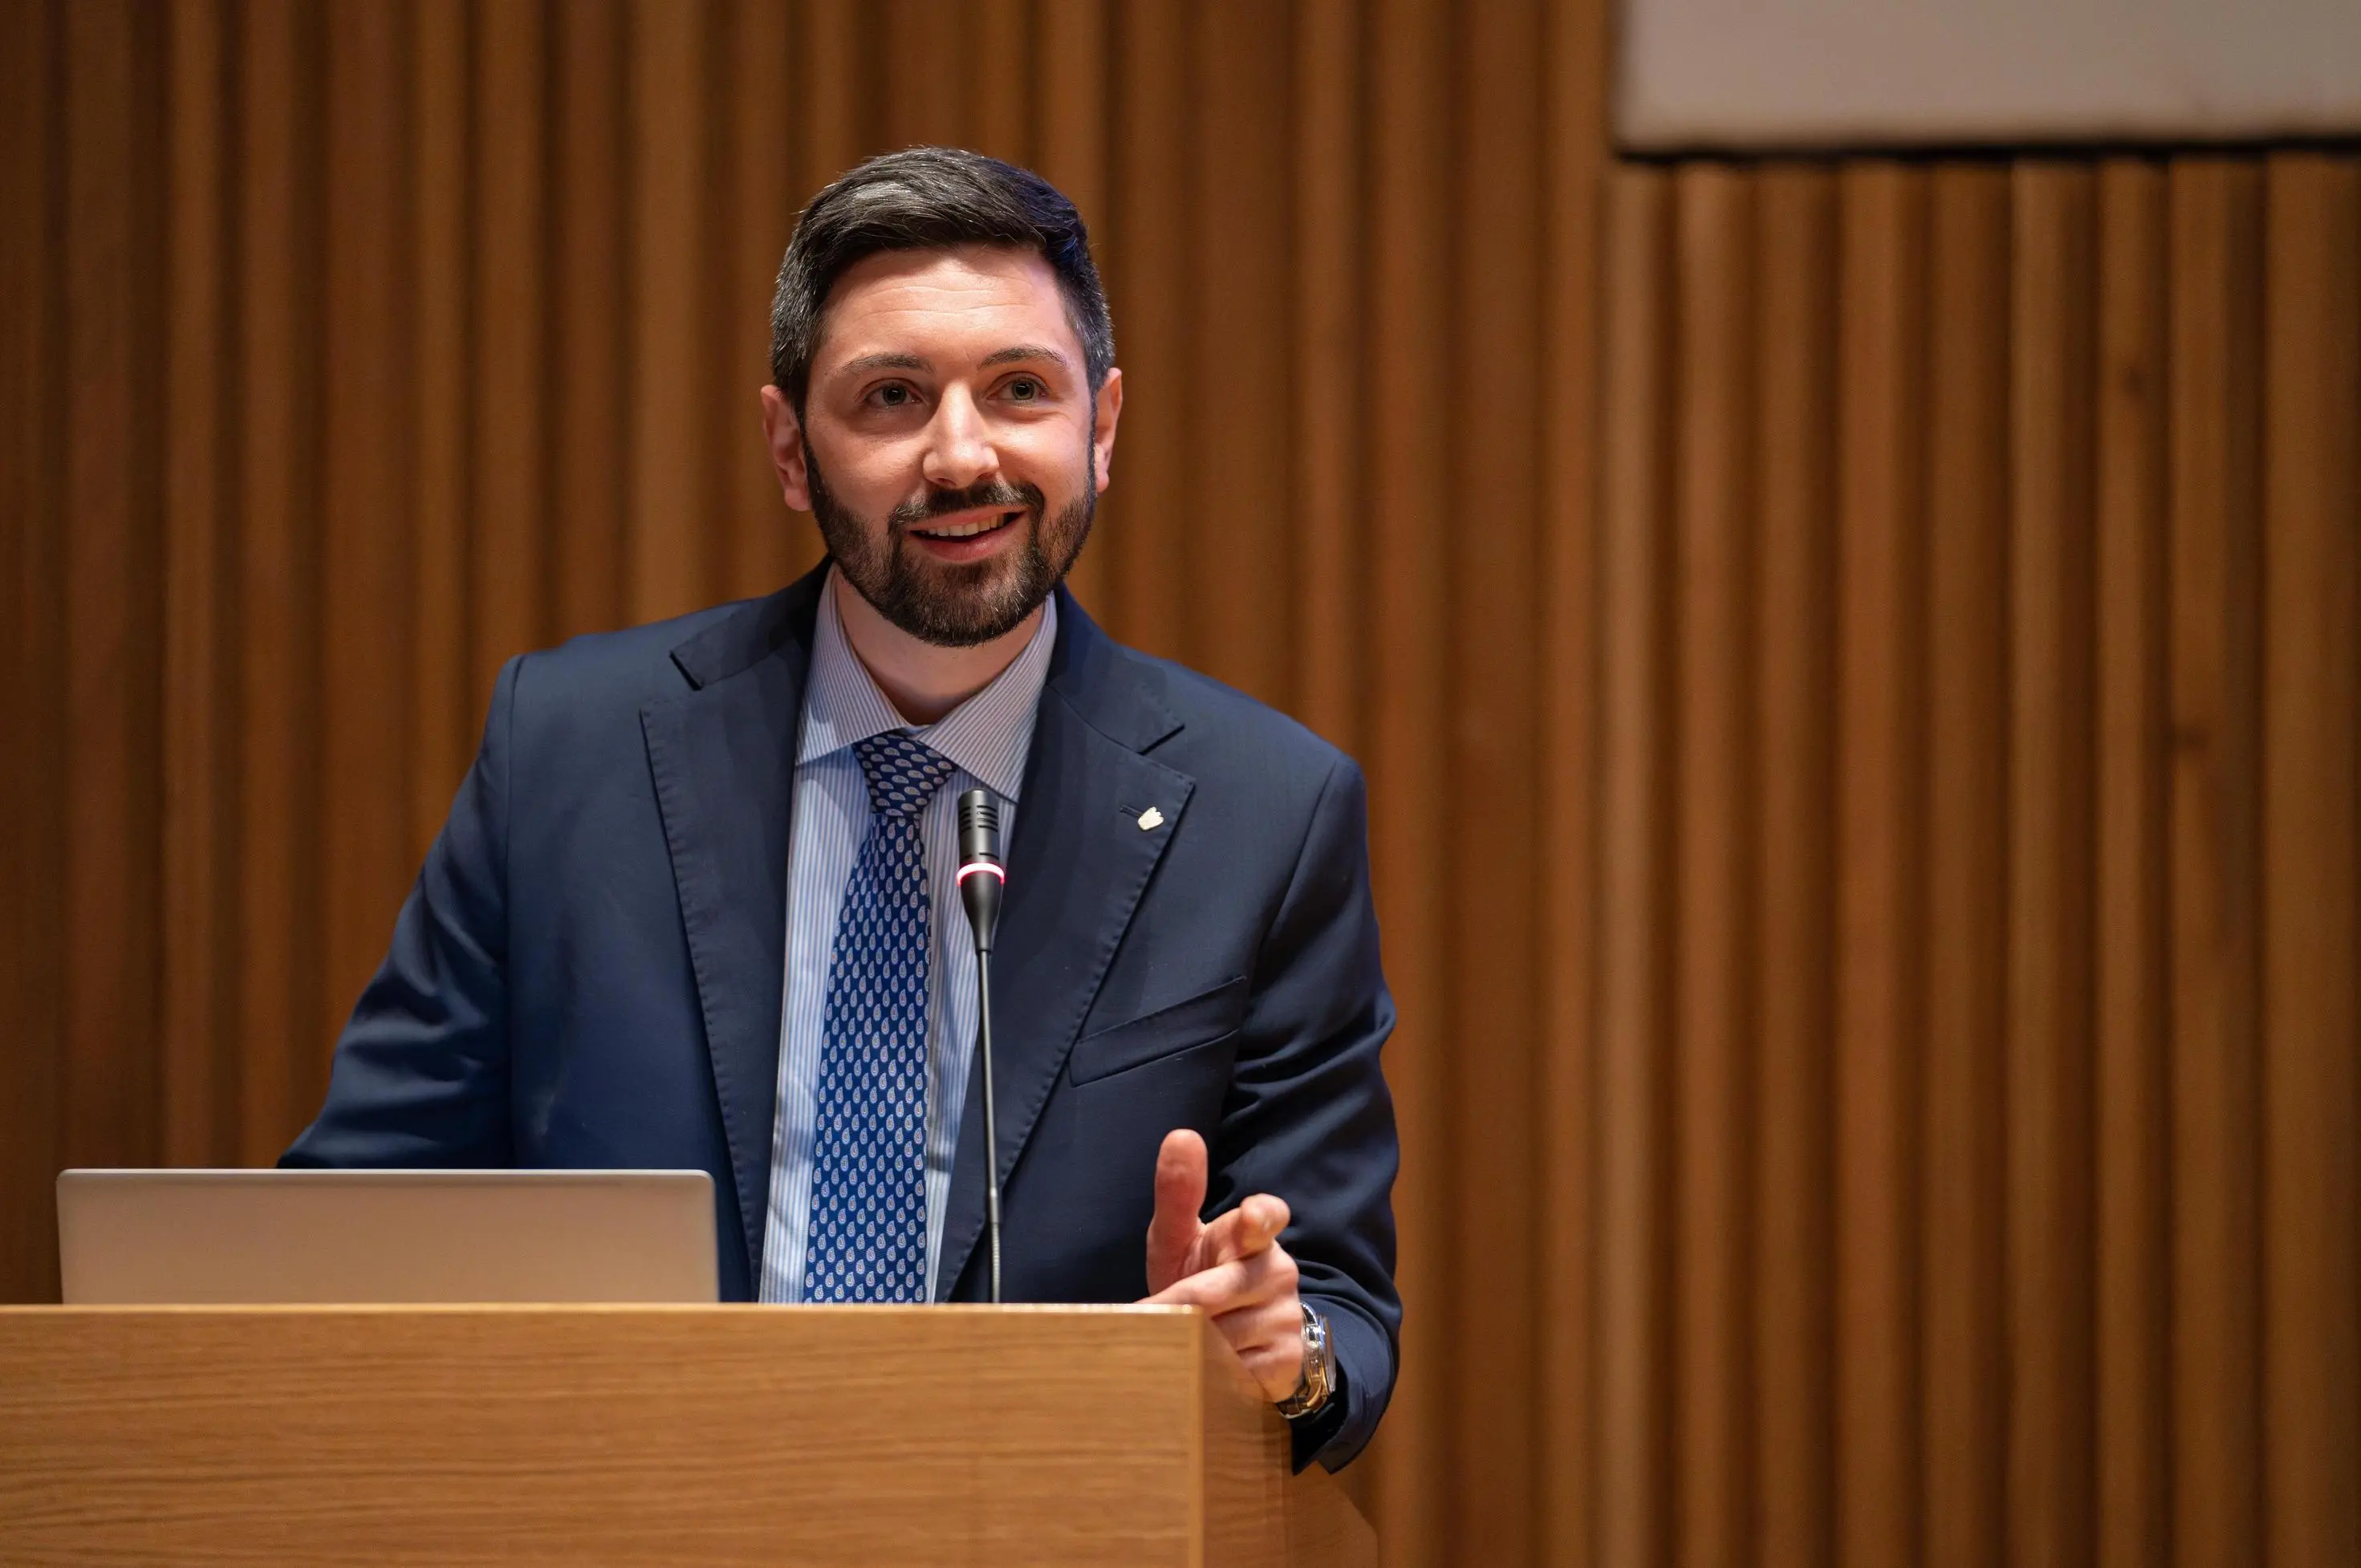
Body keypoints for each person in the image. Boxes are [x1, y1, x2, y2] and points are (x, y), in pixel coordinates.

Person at [283, 147, 1400, 1473]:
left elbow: (1337, 1308)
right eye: (890, 396)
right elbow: (353, 1223)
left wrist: (1284, 1345)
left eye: (1018, 390)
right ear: (788, 447)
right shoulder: (571, 747)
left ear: (1101, 426)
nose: (961, 452)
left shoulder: (1263, 810)